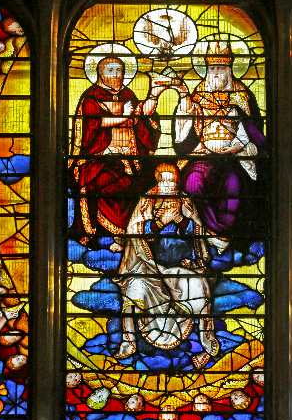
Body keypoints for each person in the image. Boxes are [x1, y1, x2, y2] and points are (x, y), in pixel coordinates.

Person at [115, 164, 219, 369]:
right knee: (133, 290)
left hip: (182, 267)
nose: (167, 184)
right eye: (163, 180)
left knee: (200, 290)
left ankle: (207, 345)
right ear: (157, 181)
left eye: (171, 180)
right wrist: (160, 223)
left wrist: (180, 219)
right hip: (149, 267)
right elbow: (134, 231)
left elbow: (197, 233)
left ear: (177, 181)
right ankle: (128, 341)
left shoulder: (184, 200)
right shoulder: (147, 202)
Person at [171, 41, 265, 240]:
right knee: (193, 182)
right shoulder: (197, 96)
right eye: (212, 68)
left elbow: (252, 130)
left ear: (229, 70)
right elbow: (184, 133)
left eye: (220, 68)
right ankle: (203, 230)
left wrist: (235, 148)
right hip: (203, 156)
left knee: (234, 186)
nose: (215, 73)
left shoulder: (242, 96)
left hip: (233, 159)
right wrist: (184, 101)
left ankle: (226, 234)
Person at [69, 55, 163, 248]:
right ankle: (90, 233)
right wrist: (124, 117)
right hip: (99, 157)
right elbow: (94, 124)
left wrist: (148, 106)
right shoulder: (91, 97)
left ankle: (139, 229)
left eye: (119, 70)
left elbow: (140, 120)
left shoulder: (128, 95)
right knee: (98, 181)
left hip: (130, 158)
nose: (116, 75)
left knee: (150, 178)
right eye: (111, 70)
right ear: (100, 73)